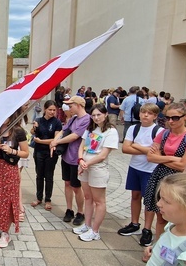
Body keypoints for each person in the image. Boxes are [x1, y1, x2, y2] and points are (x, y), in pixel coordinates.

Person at [142, 102, 186, 247]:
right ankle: (158, 246)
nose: (170, 121)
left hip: (177, 180)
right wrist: (173, 158)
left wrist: (161, 157)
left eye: (175, 118)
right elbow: (150, 157)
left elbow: (184, 165)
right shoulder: (164, 133)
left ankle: (169, 247)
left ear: (185, 117)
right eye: (167, 118)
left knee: (174, 218)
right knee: (160, 217)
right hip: (160, 177)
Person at [0, 109, 29, 248]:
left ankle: (5, 232)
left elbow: (25, 153)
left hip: (9, 168)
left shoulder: (18, 131)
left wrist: (12, 151)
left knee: (7, 199)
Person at [73, 104, 119, 241]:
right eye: (93, 115)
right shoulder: (90, 129)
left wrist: (87, 163)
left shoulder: (111, 131)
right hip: (84, 166)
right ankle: (87, 225)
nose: (96, 117)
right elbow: (82, 146)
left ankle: (95, 230)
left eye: (99, 114)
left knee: (99, 201)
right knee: (88, 197)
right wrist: (81, 159)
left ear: (105, 114)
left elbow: (103, 155)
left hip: (97, 168)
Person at [119, 103, 163, 237]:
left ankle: (147, 229)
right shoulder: (133, 128)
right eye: (143, 112)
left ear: (155, 116)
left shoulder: (159, 131)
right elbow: (125, 148)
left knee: (149, 200)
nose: (145, 115)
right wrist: (146, 149)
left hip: (150, 170)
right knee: (135, 196)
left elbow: (154, 154)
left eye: (149, 113)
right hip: (135, 167)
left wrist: (136, 146)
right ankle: (134, 223)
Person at [49, 96, 90, 226]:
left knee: (76, 186)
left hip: (76, 158)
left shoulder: (87, 120)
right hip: (67, 156)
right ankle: (69, 209)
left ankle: (81, 212)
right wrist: (54, 141)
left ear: (78, 105)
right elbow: (63, 130)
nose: (69, 107)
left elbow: (75, 136)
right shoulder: (72, 119)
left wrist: (57, 141)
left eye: (71, 105)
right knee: (67, 183)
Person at [30, 100, 63, 211]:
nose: (52, 112)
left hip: (51, 152)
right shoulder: (38, 120)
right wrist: (34, 127)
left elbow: (55, 139)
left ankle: (48, 199)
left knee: (49, 176)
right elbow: (32, 133)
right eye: (50, 110)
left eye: (54, 110)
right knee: (39, 175)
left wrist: (41, 141)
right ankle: (39, 197)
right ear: (45, 109)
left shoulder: (57, 122)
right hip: (39, 152)